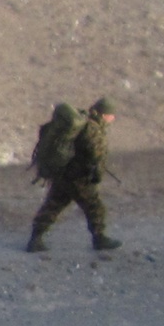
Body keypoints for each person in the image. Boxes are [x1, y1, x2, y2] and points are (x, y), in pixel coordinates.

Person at [28, 98, 122, 253]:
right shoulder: (93, 129)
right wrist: (97, 175)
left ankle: (35, 238)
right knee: (95, 207)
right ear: (105, 115)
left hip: (64, 174)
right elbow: (96, 155)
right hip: (79, 177)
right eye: (111, 115)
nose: (113, 118)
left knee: (53, 205)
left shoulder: (82, 123)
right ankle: (99, 238)